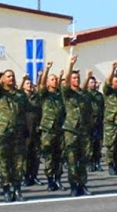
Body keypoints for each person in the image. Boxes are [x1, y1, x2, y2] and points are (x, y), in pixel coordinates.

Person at [0, 53, 27, 202]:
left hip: (18, 134)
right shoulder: (0, 94)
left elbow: (26, 115)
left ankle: (17, 189)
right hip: (3, 134)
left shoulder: (21, 95)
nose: (11, 78)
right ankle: (6, 189)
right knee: (4, 163)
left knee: (19, 163)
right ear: (2, 79)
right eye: (8, 76)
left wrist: (28, 133)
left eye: (12, 76)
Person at [62, 55, 93, 196]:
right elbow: (66, 82)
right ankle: (73, 185)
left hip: (84, 131)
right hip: (71, 130)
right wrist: (70, 65)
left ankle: (82, 184)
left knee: (83, 159)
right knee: (72, 160)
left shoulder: (83, 94)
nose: (76, 80)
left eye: (77, 78)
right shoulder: (67, 93)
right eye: (74, 78)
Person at [38, 61, 66, 191]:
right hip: (48, 130)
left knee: (59, 156)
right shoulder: (44, 95)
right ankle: (50, 180)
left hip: (60, 129)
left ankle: (58, 179)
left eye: (55, 79)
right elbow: (41, 84)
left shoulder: (61, 95)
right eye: (52, 79)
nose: (55, 81)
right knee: (49, 157)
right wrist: (47, 70)